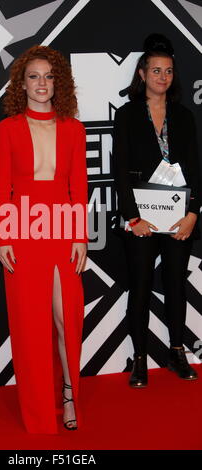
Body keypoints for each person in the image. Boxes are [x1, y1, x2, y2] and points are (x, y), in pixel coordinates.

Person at [0, 45, 88, 433]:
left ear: (58, 82)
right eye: (34, 76)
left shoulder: (73, 129)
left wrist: (80, 234)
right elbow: (2, 188)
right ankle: (35, 408)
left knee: (67, 320)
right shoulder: (7, 128)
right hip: (23, 228)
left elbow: (79, 186)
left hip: (63, 229)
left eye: (49, 76)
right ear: (22, 83)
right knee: (30, 325)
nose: (42, 83)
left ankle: (69, 397)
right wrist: (4, 236)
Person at [113, 34, 200, 387]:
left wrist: (194, 213)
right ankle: (139, 359)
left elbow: (194, 167)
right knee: (141, 285)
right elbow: (118, 167)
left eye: (168, 71)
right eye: (155, 70)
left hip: (179, 216)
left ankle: (177, 351)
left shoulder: (184, 116)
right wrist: (133, 216)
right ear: (142, 73)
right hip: (142, 218)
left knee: (176, 285)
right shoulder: (127, 114)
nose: (162, 76)